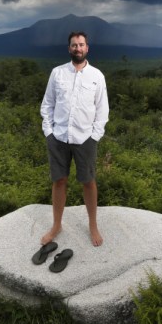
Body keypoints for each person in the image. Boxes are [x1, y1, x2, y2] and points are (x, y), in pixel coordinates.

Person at [40, 31, 109, 247]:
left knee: (88, 181)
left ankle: (93, 225)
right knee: (59, 180)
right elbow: (47, 104)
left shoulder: (97, 76)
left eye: (81, 45)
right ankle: (56, 225)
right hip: (58, 137)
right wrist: (49, 132)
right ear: (69, 48)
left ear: (87, 48)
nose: (77, 48)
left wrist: (94, 136)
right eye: (74, 45)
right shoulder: (57, 73)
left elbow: (102, 110)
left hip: (85, 139)